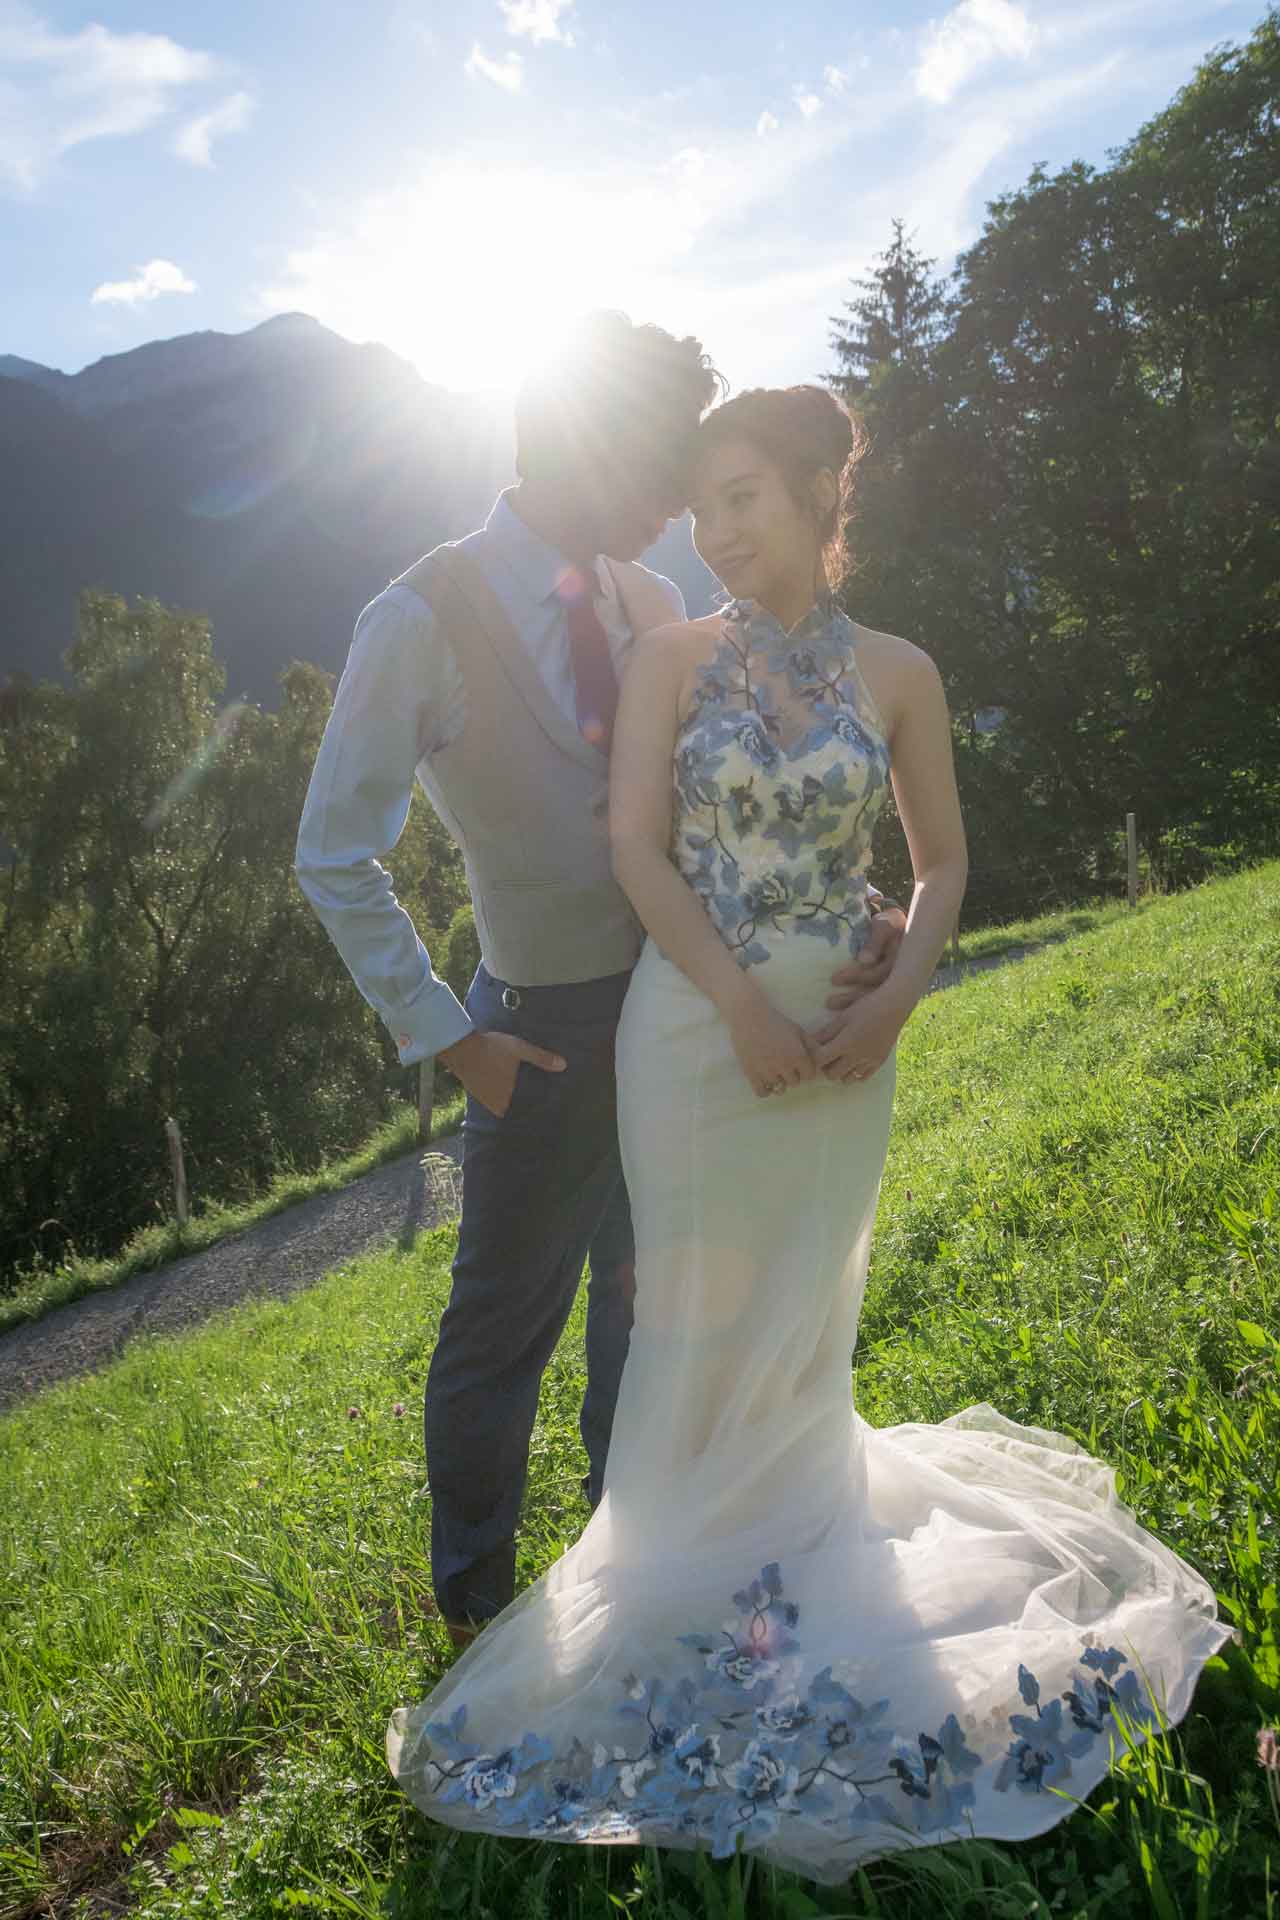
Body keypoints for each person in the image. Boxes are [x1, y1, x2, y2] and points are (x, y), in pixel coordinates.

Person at [385, 384, 1229, 1882]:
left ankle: (786, 1550)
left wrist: (899, 993)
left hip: (850, 1048)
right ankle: (678, 1577)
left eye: (743, 497)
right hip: (693, 1043)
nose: (715, 531)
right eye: (702, 503)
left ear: (823, 499)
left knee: (799, 1321)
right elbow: (636, 849)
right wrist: (740, 1010)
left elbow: (948, 855)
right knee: (686, 1328)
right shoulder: (666, 656)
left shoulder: (902, 670)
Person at [294, 316, 908, 1651]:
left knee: (652, 1313)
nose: (678, 506)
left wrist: (854, 910)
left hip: (677, 1018)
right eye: (660, 471)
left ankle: (634, 1569)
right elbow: (333, 855)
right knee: (499, 1331)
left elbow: (721, 817)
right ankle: (478, 1613)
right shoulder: (417, 615)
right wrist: (456, 1042)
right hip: (538, 1035)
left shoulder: (651, 605)